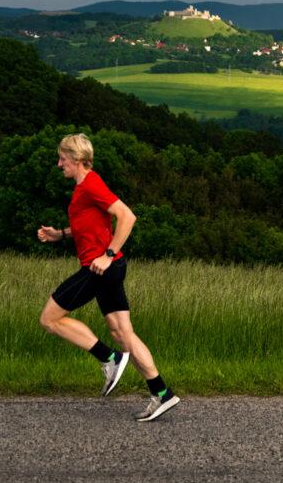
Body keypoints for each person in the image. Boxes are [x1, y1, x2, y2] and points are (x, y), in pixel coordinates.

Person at [37, 132, 180, 422]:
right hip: (108, 268)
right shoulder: (83, 188)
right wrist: (60, 234)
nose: (58, 164)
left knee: (49, 319)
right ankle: (161, 392)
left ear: (77, 159)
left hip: (100, 268)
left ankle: (109, 358)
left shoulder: (91, 183)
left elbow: (127, 216)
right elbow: (90, 224)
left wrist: (109, 254)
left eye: (62, 159)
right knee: (123, 333)